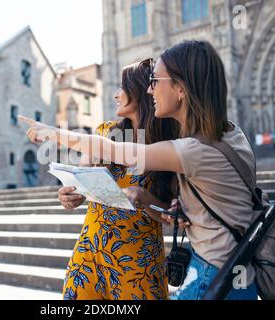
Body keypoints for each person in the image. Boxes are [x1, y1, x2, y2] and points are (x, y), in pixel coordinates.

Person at [20, 40, 259, 300]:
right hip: (217, 267)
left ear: (180, 88)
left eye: (155, 81)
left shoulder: (187, 149)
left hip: (190, 269)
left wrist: (52, 132)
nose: (150, 89)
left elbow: (115, 151)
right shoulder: (230, 134)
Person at [57, 59, 178, 300]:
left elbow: (170, 216)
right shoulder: (104, 131)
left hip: (138, 263)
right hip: (90, 253)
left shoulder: (168, 146)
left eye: (122, 87)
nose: (116, 94)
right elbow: (79, 181)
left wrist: (145, 198)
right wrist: (69, 196)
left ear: (141, 90)